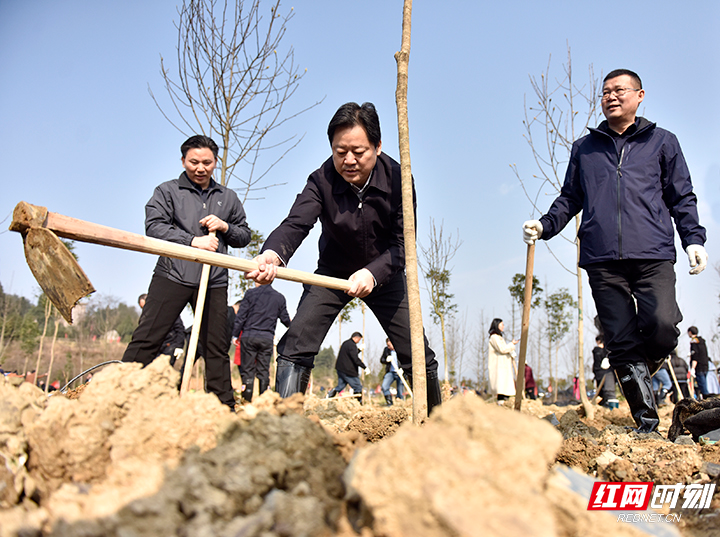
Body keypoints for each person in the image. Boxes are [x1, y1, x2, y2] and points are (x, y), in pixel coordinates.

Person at [522, 69, 708, 433]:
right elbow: (571, 198)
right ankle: (646, 423)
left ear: (640, 95)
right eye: (605, 92)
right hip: (601, 257)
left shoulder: (662, 142)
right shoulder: (585, 149)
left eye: (619, 90)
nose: (611, 96)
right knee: (620, 339)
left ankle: (639, 364)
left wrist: (693, 239)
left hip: (652, 252)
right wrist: (546, 225)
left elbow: (681, 195)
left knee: (662, 325)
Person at [245, 102, 442, 413]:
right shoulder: (321, 180)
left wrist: (372, 273)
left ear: (377, 146)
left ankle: (436, 421)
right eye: (340, 152)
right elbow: (296, 223)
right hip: (332, 273)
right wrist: (271, 254)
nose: (349, 160)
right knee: (295, 342)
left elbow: (403, 244)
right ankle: (283, 426)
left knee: (416, 350)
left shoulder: (399, 179)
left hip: (385, 273)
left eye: (358, 152)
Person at [122, 135, 252, 410]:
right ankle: (118, 392)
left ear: (215, 162)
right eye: (194, 162)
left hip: (213, 279)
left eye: (207, 162)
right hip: (173, 273)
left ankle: (222, 407)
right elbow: (154, 226)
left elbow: (244, 235)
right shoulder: (167, 191)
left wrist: (225, 227)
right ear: (183, 161)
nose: (200, 167)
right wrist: (193, 241)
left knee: (216, 346)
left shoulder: (227, 197)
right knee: (148, 336)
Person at [231, 282, 291, 402]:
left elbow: (241, 316)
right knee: (263, 371)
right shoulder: (279, 297)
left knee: (248, 370)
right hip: (266, 338)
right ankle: (264, 401)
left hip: (249, 336)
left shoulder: (250, 294)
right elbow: (285, 319)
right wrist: (294, 327)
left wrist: (235, 334)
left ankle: (246, 401)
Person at [137, 293, 186, 366]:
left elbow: (180, 328)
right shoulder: (145, 318)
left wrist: (179, 346)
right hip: (155, 348)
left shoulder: (168, 311)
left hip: (169, 346)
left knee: (165, 370)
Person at [327, 332, 367, 401]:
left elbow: (351, 354)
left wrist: (359, 350)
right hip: (348, 371)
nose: (358, 342)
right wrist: (364, 367)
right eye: (359, 340)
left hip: (341, 369)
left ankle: (330, 395)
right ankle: (358, 403)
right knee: (358, 387)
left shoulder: (346, 343)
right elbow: (355, 358)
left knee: (340, 386)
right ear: (356, 338)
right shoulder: (352, 345)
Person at [488, 318, 517, 404]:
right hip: (499, 367)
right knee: (501, 387)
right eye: (502, 324)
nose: (503, 326)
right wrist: (511, 345)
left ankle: (504, 403)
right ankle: (501, 404)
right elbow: (502, 349)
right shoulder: (494, 337)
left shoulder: (499, 337)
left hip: (503, 366)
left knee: (505, 387)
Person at [592, 335, 616, 407]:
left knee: (606, 391)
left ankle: (607, 405)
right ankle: (604, 404)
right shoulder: (600, 351)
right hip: (603, 372)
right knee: (604, 391)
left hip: (603, 373)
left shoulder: (599, 350)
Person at [379, 338, 404, 405]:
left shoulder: (400, 349)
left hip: (400, 372)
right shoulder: (386, 350)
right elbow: (382, 360)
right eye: (387, 345)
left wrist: (402, 368)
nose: (388, 347)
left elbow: (406, 360)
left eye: (390, 345)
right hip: (390, 372)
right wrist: (386, 360)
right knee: (384, 386)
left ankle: (400, 400)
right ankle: (389, 401)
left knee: (400, 386)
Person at [688, 326, 710, 399]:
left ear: (690, 332)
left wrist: (693, 368)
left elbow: (695, 356)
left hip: (699, 366)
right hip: (705, 365)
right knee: (704, 384)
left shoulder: (694, 341)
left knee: (702, 386)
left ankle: (707, 399)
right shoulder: (702, 341)